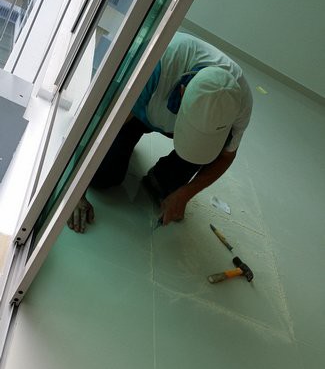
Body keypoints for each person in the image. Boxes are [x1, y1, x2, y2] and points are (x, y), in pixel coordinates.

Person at [67, 32, 253, 233]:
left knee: (169, 185)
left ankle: (161, 179)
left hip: (170, 112)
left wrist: (185, 194)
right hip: (138, 112)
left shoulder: (239, 101)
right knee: (103, 177)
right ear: (182, 92)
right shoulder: (156, 65)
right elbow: (102, 127)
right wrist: (75, 191)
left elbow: (226, 157)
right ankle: (126, 143)